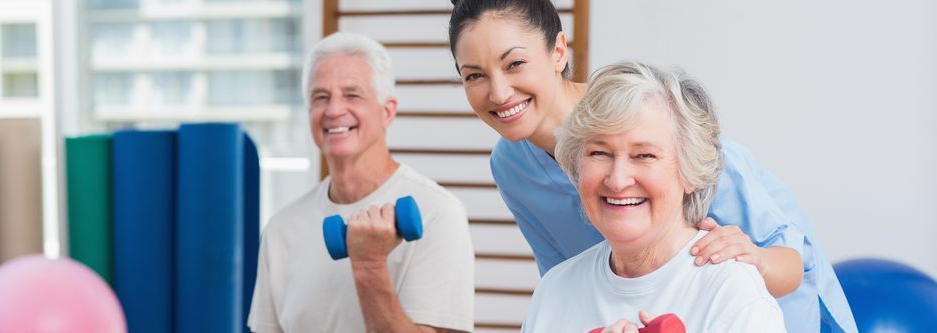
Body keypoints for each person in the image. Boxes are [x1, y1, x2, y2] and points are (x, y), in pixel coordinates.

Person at [447, 0, 855, 332]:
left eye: (515, 63)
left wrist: (754, 262)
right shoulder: (511, 167)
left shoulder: (655, 120)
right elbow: (566, 287)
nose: (499, 92)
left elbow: (789, 263)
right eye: (475, 76)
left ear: (558, 51)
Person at [523, 60, 786, 332]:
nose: (617, 180)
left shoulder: (733, 294)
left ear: (689, 171)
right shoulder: (554, 291)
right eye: (599, 153)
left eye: (644, 155)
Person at [247, 32, 474, 333]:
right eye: (320, 97)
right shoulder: (281, 230)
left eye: (352, 94)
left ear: (387, 111)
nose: (333, 110)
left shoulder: (438, 214)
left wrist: (369, 265)